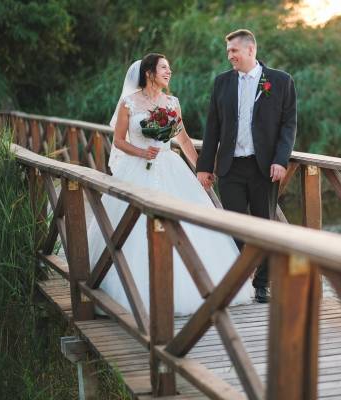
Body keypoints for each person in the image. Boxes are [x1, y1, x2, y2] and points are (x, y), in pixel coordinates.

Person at [86, 53, 253, 316]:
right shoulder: (129, 103)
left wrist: (201, 168)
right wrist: (142, 152)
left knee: (189, 224)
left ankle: (200, 288)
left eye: (169, 68)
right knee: (132, 225)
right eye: (164, 68)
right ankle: (131, 292)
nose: (169, 71)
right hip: (137, 169)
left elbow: (183, 140)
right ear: (149, 73)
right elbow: (118, 141)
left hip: (171, 167)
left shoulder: (172, 102)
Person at [196, 29, 297, 303]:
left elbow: (289, 125)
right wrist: (204, 166)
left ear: (250, 50)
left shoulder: (280, 81)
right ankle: (241, 280)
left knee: (265, 226)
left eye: (234, 51)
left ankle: (262, 284)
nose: (230, 56)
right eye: (228, 52)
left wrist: (281, 160)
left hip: (264, 168)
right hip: (230, 167)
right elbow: (212, 127)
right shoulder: (222, 83)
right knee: (234, 227)